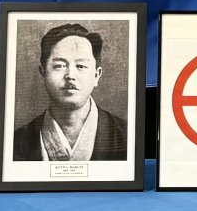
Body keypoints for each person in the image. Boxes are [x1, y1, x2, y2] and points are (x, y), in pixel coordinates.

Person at [12, 22, 129, 161]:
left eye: (81, 66)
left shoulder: (127, 136)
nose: (70, 75)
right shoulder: (17, 142)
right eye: (59, 65)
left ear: (96, 75)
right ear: (43, 73)